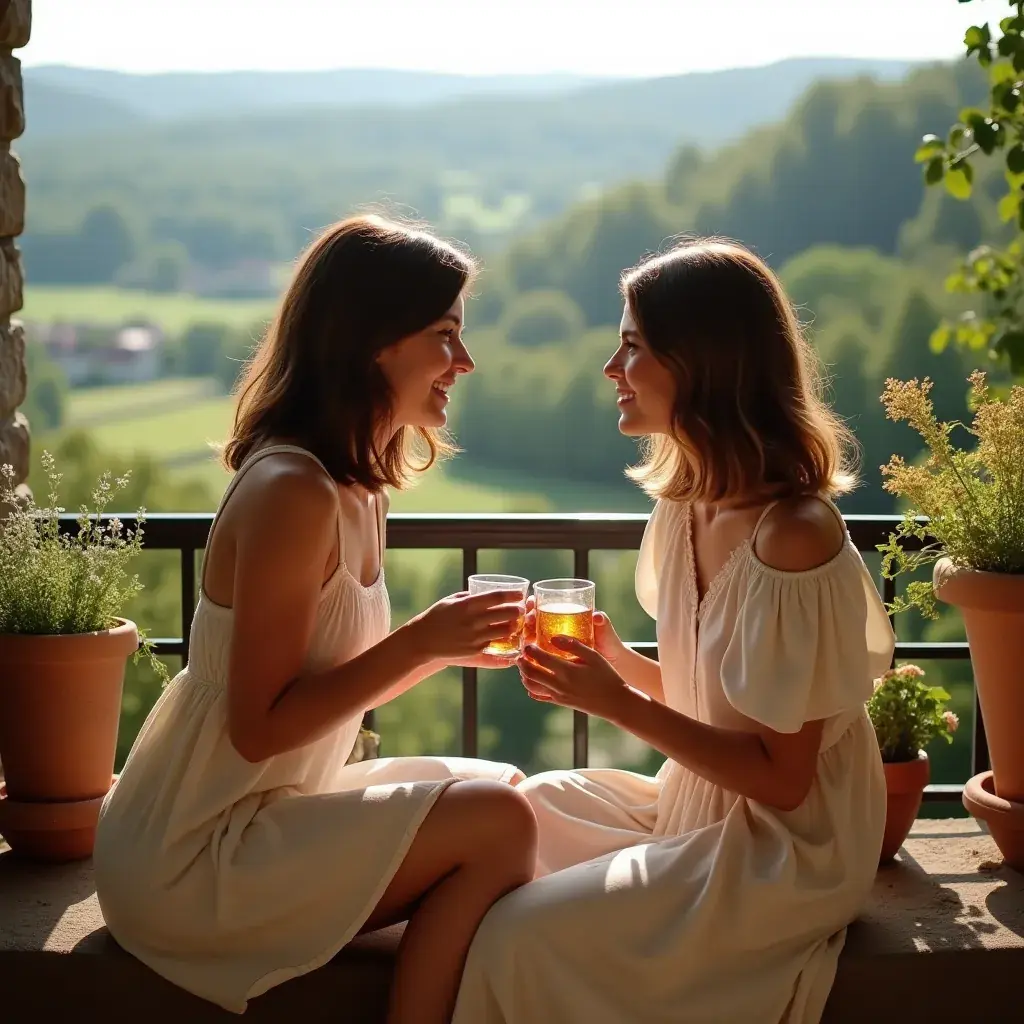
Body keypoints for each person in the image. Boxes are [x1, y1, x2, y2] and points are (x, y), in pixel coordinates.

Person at [94, 214, 538, 1024]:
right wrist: (422, 642)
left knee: (505, 788)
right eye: (445, 335)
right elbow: (259, 729)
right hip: (194, 853)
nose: (464, 362)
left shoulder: (360, 489)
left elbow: (324, 682)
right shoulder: (292, 492)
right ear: (376, 340)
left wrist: (442, 650)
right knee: (499, 823)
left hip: (271, 808)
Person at [452, 238, 895, 1024]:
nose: (609, 369)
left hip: (785, 849)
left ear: (701, 363)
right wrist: (617, 662)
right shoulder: (688, 506)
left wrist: (617, 705)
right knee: (525, 808)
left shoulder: (793, 537)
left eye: (631, 346)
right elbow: (719, 703)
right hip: (697, 801)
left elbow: (782, 778)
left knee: (520, 934)